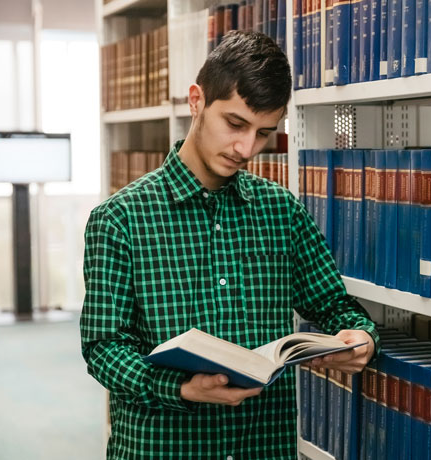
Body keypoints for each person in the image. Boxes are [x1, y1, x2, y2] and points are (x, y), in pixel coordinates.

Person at [80, 30, 379, 459]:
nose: (246, 148)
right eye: (235, 124)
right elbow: (103, 349)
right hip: (163, 449)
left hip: (263, 447)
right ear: (197, 100)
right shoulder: (120, 219)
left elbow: (335, 306)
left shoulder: (282, 211)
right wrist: (180, 387)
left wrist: (361, 337)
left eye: (263, 133)